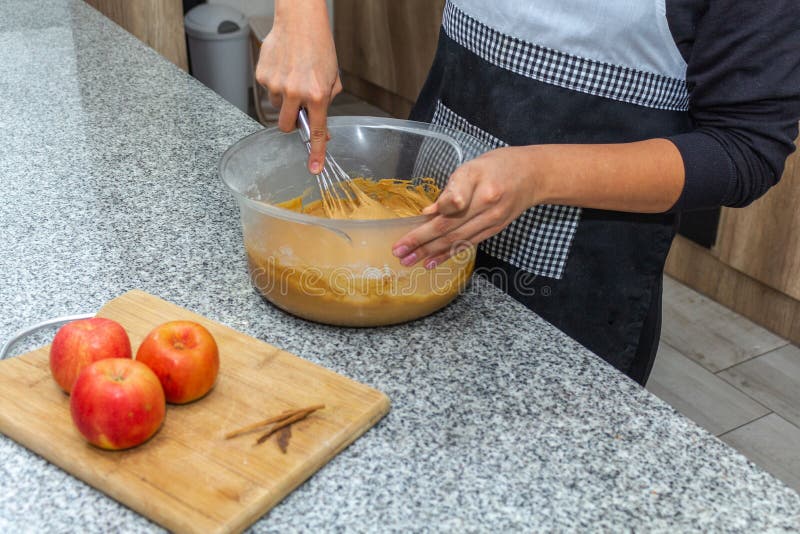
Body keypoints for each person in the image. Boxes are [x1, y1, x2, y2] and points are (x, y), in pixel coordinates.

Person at [256, 0, 800, 385]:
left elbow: (743, 149)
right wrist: (299, 14)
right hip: (419, 218)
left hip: (579, 279)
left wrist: (538, 175)